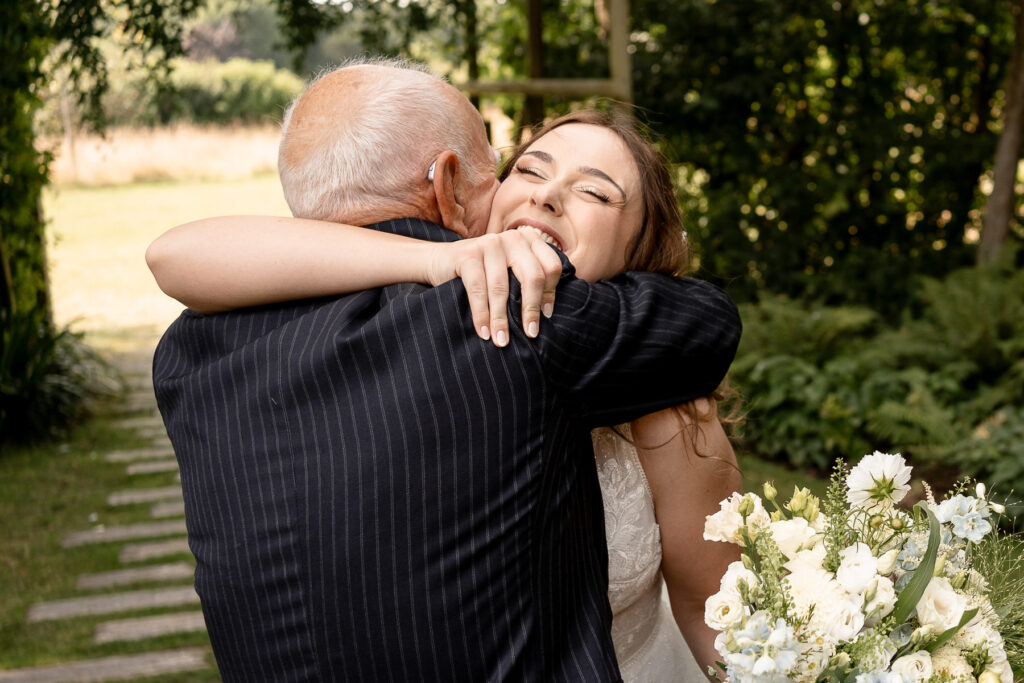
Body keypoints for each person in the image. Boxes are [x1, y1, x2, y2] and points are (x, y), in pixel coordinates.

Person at [150, 59, 742, 681]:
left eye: (596, 191)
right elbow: (711, 321)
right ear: (451, 189)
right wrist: (445, 260)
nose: (544, 193)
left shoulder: (189, 354)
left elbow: (714, 606)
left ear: (639, 250)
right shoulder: (507, 324)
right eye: (523, 170)